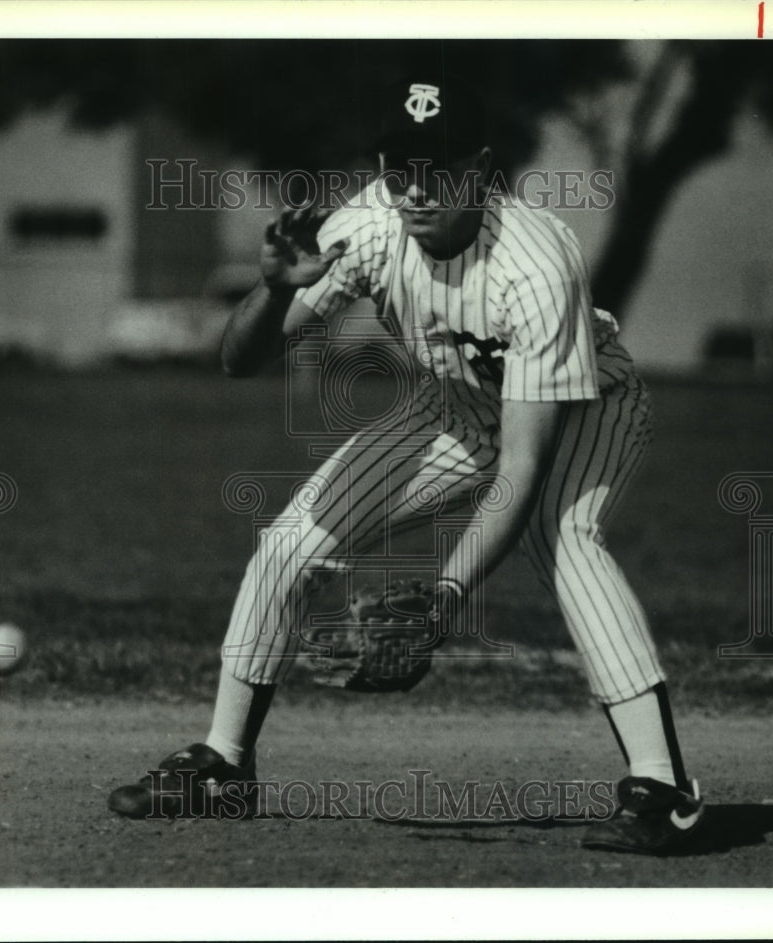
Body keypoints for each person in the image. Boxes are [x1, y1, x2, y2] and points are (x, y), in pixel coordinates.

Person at [108, 77, 705, 854]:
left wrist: (444, 595)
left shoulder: (535, 264)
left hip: (585, 408)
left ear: (479, 168)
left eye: (438, 166)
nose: (416, 187)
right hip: (455, 406)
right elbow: (239, 360)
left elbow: (522, 464)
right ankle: (224, 763)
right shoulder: (367, 227)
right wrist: (272, 291)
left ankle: (664, 788)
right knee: (289, 545)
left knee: (563, 540)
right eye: (400, 167)